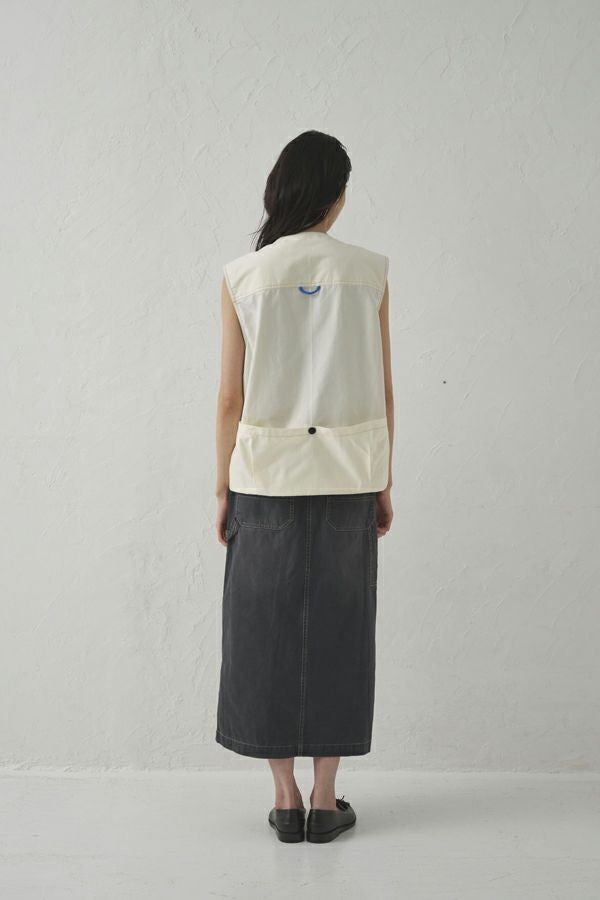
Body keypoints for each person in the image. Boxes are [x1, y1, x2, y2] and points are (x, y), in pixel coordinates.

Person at [214, 130, 394, 843]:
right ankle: (325, 798)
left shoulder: (243, 276)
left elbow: (230, 398)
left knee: (264, 632)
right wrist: (383, 480)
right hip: (351, 474)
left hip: (263, 478)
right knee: (341, 630)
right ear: (338, 196)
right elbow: (382, 388)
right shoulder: (370, 273)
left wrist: (222, 488)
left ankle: (285, 798)